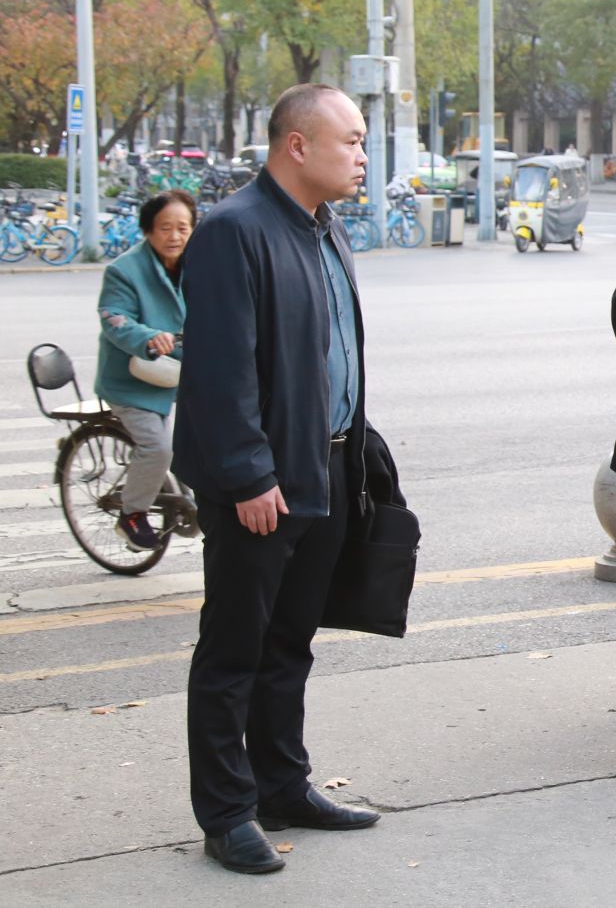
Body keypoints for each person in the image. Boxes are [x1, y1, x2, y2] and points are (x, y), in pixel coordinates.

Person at [172, 85, 381, 875]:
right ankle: (227, 812)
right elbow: (219, 371)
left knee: (290, 642)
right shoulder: (234, 231)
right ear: (298, 145)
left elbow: (331, 353)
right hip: (262, 479)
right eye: (351, 140)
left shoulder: (325, 227)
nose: (362, 156)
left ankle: (283, 784)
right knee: (235, 649)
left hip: (325, 464)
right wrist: (248, 474)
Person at [95, 189, 196, 551]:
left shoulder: (198, 264)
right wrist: (149, 337)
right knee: (158, 447)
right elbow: (114, 318)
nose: (175, 236)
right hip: (132, 381)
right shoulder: (124, 270)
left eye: (183, 228)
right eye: (165, 227)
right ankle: (132, 514)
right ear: (148, 229)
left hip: (179, 374)